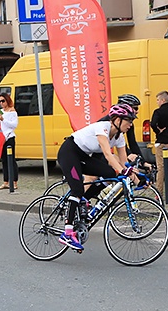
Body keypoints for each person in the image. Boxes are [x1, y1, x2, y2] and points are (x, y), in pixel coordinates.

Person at [55, 104, 138, 251]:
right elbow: (107, 154)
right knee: (77, 189)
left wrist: (137, 179)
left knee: (111, 175)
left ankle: (84, 201)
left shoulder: (119, 137)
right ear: (117, 120)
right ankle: (67, 233)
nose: (130, 125)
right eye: (129, 121)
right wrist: (122, 170)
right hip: (69, 152)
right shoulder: (103, 127)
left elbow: (123, 163)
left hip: (82, 156)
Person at [0, 93, 19, 190]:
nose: (1, 103)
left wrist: (3, 119)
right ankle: (6, 181)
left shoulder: (12, 111)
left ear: (7, 100)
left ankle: (14, 182)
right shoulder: (0, 111)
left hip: (9, 137)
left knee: (11, 160)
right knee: (4, 160)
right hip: (1, 137)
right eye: (0, 101)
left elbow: (14, 125)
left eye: (3, 101)